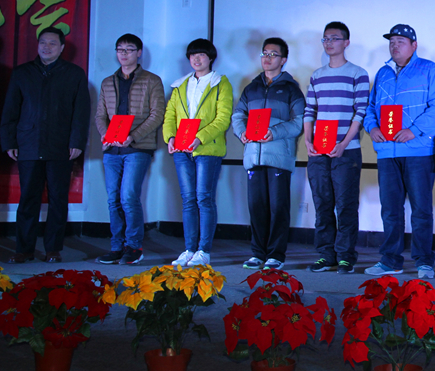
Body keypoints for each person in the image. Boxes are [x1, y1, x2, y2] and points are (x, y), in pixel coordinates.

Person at [363, 24, 435, 278]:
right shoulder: (383, 72)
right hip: (387, 152)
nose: (395, 45)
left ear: (414, 45)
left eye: (401, 41)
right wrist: (372, 127)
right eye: (391, 42)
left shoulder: (429, 70)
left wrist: (414, 130)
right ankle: (390, 260)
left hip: (418, 150)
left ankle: (424, 262)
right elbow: (370, 107)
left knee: (421, 209)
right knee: (390, 209)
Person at [0, 26, 90, 264]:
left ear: (61, 48)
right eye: (43, 42)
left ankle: (53, 249)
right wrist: (9, 141)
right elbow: (10, 110)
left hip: (61, 145)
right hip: (28, 143)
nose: (46, 47)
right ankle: (24, 250)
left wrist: (77, 142)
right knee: (28, 198)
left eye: (52, 43)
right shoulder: (22, 73)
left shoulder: (74, 73)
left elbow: (81, 112)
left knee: (58, 199)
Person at [231, 37, 304, 271]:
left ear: (283, 60)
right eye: (264, 53)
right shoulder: (251, 88)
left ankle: (276, 255)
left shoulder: (291, 89)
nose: (267, 58)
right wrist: (242, 132)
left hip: (279, 156)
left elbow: (299, 122)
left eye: (273, 54)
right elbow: (238, 116)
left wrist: (274, 133)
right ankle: (257, 253)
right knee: (256, 206)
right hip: (254, 155)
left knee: (278, 207)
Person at [303, 23, 369, 275]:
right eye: (325, 39)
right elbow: (310, 111)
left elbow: (360, 113)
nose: (329, 43)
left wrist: (343, 144)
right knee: (322, 204)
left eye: (334, 38)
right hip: (319, 151)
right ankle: (325, 255)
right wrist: (308, 141)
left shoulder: (358, 73)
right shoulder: (317, 75)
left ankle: (345, 256)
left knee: (346, 205)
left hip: (346, 151)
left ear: (346, 42)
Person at [94, 34, 165, 265]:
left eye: (129, 49)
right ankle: (116, 247)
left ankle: (134, 247)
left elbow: (157, 115)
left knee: (128, 196)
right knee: (113, 199)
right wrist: (105, 134)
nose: (124, 54)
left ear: (139, 52)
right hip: (111, 149)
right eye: (120, 49)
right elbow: (100, 115)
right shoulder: (107, 82)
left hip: (137, 148)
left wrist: (133, 136)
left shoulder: (152, 80)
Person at [163, 38, 232, 267]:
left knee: (204, 198)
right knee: (188, 199)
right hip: (181, 149)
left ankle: (204, 251)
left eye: (201, 54)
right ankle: (189, 249)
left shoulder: (221, 83)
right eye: (193, 55)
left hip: (207, 148)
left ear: (210, 57)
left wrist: (199, 137)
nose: (196, 58)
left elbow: (223, 118)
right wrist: (170, 137)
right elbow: (170, 115)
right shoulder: (180, 85)